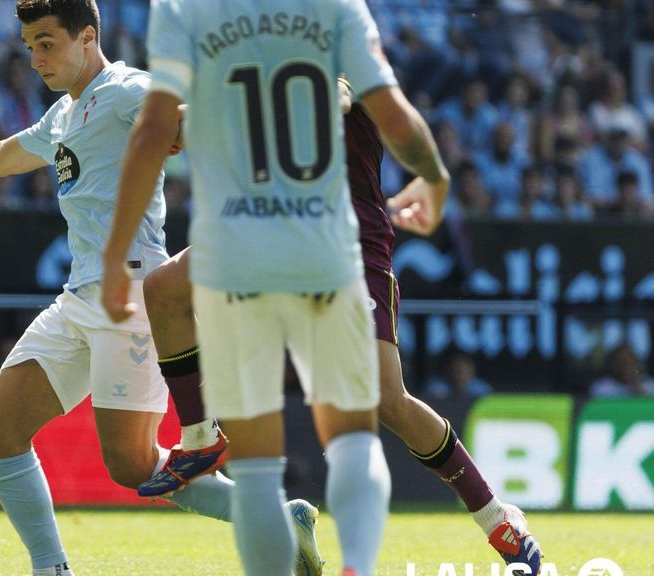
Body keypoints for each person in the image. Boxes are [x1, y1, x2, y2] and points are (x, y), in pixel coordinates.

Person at [0, 3, 308, 575]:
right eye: (29, 46)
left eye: (46, 43)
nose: (35, 59)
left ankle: (278, 521)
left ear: (87, 37)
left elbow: (186, 113)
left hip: (130, 295)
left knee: (133, 467)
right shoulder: (64, 114)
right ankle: (51, 568)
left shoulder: (128, 88)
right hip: (79, 297)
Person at [100, 3, 534, 575]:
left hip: (345, 236)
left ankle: (499, 520)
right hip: (256, 227)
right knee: (164, 290)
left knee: (385, 401)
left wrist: (431, 176)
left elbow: (343, 96)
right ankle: (202, 437)